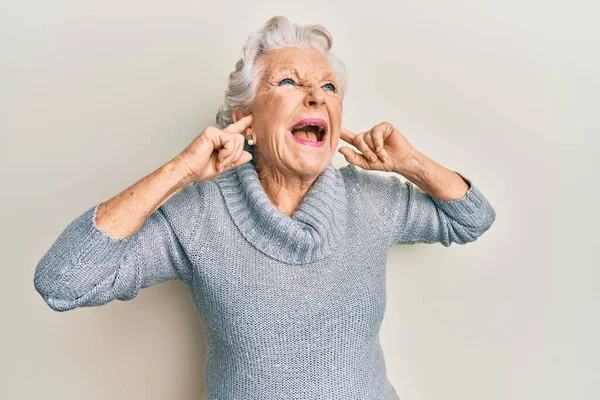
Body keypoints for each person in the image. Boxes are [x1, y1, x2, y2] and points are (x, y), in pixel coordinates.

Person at [33, 15, 496, 400]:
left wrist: (409, 163)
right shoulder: (198, 216)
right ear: (245, 122)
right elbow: (62, 282)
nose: (315, 95)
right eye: (290, 82)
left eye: (329, 87)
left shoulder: (370, 201)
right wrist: (181, 171)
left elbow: (473, 217)